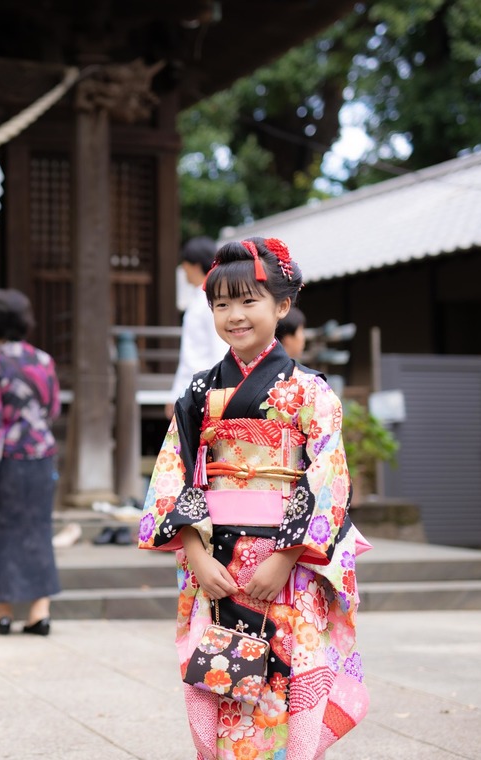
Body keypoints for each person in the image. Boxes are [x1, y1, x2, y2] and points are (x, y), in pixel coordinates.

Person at [137, 237, 368, 759]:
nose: (234, 316)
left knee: (289, 692)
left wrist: (285, 558)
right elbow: (175, 475)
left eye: (248, 301)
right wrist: (195, 556)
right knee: (222, 690)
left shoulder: (310, 392)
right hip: (216, 567)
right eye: (221, 304)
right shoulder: (199, 393)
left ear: (282, 306)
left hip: (288, 568)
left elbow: (329, 479)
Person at [0, 289, 61, 636]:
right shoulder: (43, 360)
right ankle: (40, 611)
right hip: (41, 456)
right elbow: (52, 409)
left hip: (6, 460)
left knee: (0, 531)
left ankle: (4, 612)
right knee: (38, 531)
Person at [165, 236, 230, 419]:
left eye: (184, 264)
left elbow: (219, 349)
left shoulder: (211, 303)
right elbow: (189, 355)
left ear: (194, 265)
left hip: (206, 390)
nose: (183, 270)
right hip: (193, 387)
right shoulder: (199, 301)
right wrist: (175, 394)